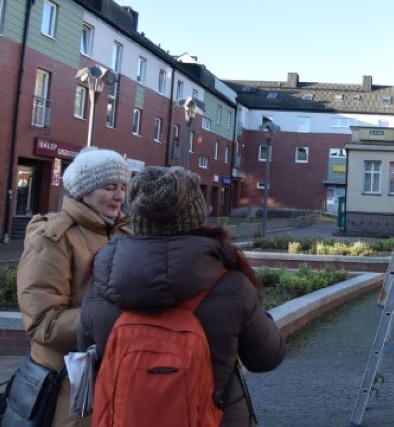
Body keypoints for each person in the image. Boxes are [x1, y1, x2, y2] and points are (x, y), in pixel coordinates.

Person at [79, 166, 287, 426]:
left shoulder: (102, 280)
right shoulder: (231, 283)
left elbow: (86, 354)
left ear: (138, 216)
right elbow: (265, 358)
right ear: (197, 215)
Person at [16, 147, 132, 427]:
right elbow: (43, 322)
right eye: (109, 187)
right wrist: (116, 319)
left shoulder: (126, 233)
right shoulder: (53, 239)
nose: (119, 195)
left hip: (115, 374)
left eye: (122, 187)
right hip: (68, 382)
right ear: (84, 191)